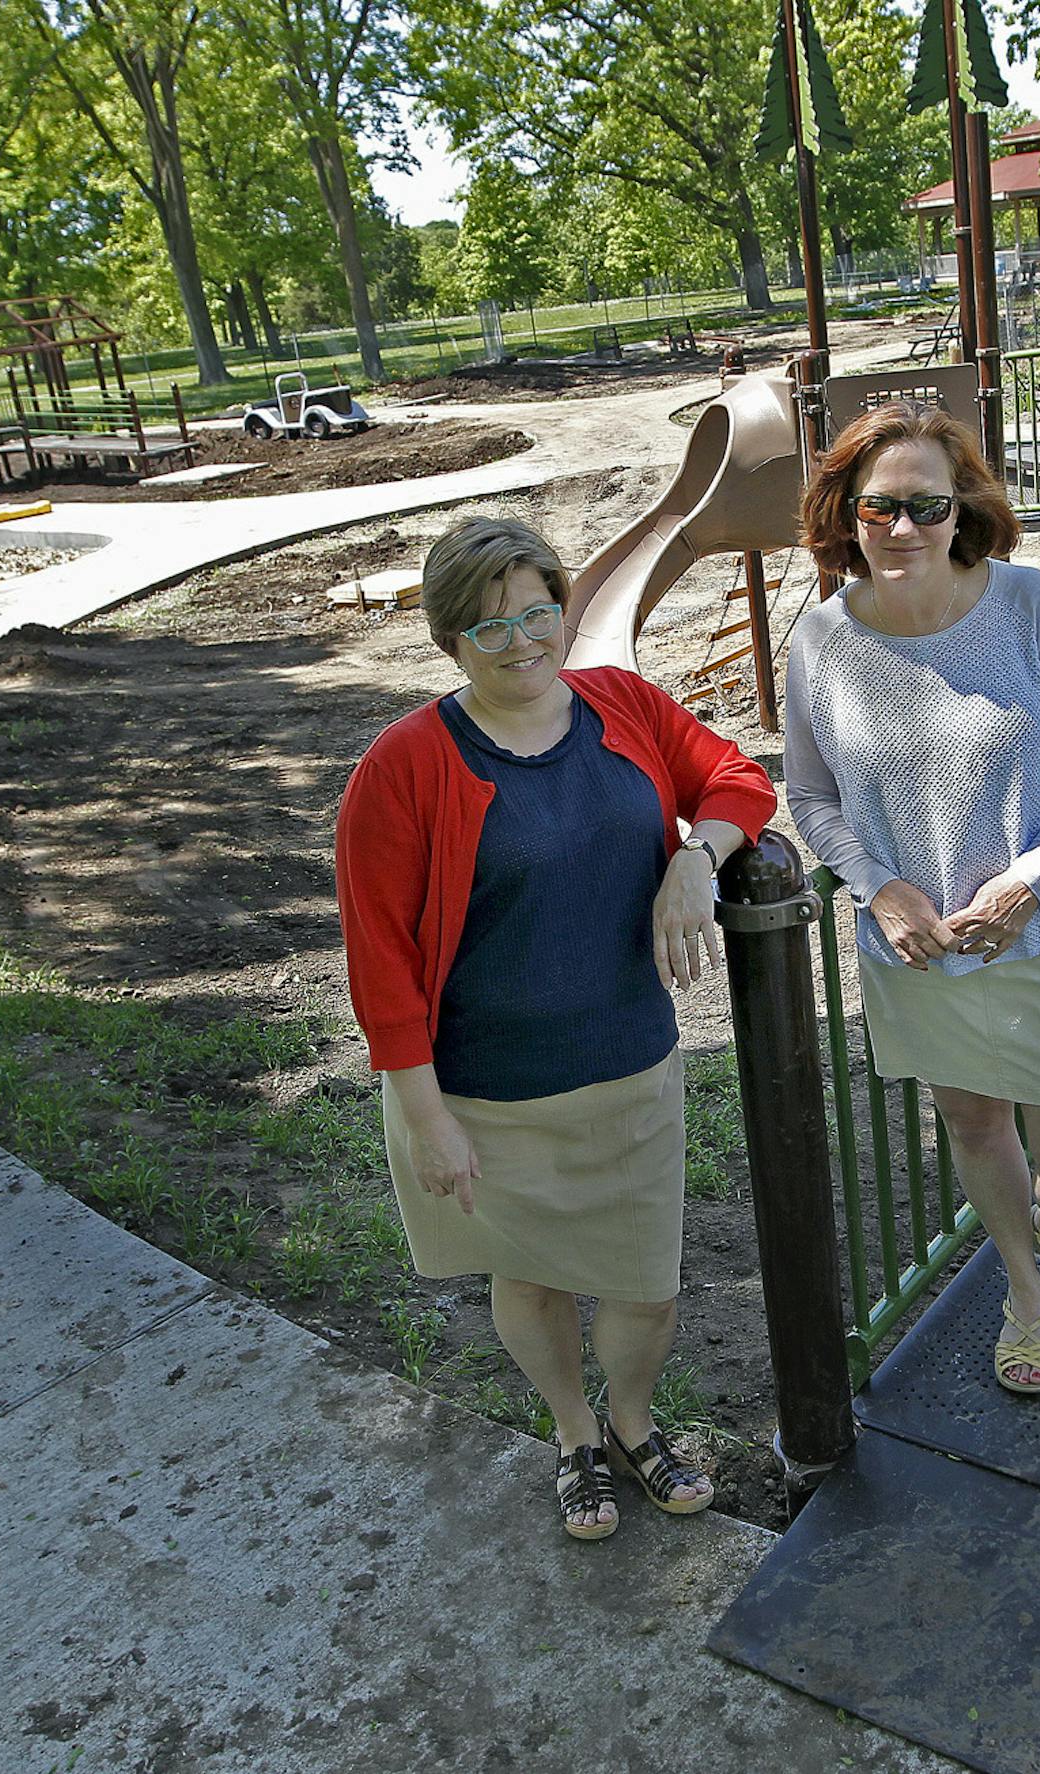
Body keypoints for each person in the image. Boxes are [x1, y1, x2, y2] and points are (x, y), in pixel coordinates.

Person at [334, 517, 776, 1538]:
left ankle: (631, 1417)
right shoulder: (403, 767)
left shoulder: (620, 704)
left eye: (539, 611)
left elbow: (737, 778)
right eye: (490, 627)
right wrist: (426, 1114)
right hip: (486, 1093)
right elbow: (381, 962)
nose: (523, 640)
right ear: (451, 640)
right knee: (526, 1274)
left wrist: (694, 858)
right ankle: (575, 1428)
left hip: (627, 1069)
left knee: (644, 1288)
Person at [783, 403, 1040, 1396]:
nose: (903, 528)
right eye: (878, 506)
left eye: (926, 505)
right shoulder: (820, 641)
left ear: (960, 507)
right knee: (977, 1128)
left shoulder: (1026, 604)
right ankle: (1024, 1289)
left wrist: (1032, 880)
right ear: (843, 512)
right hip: (923, 952)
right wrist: (876, 887)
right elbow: (808, 794)